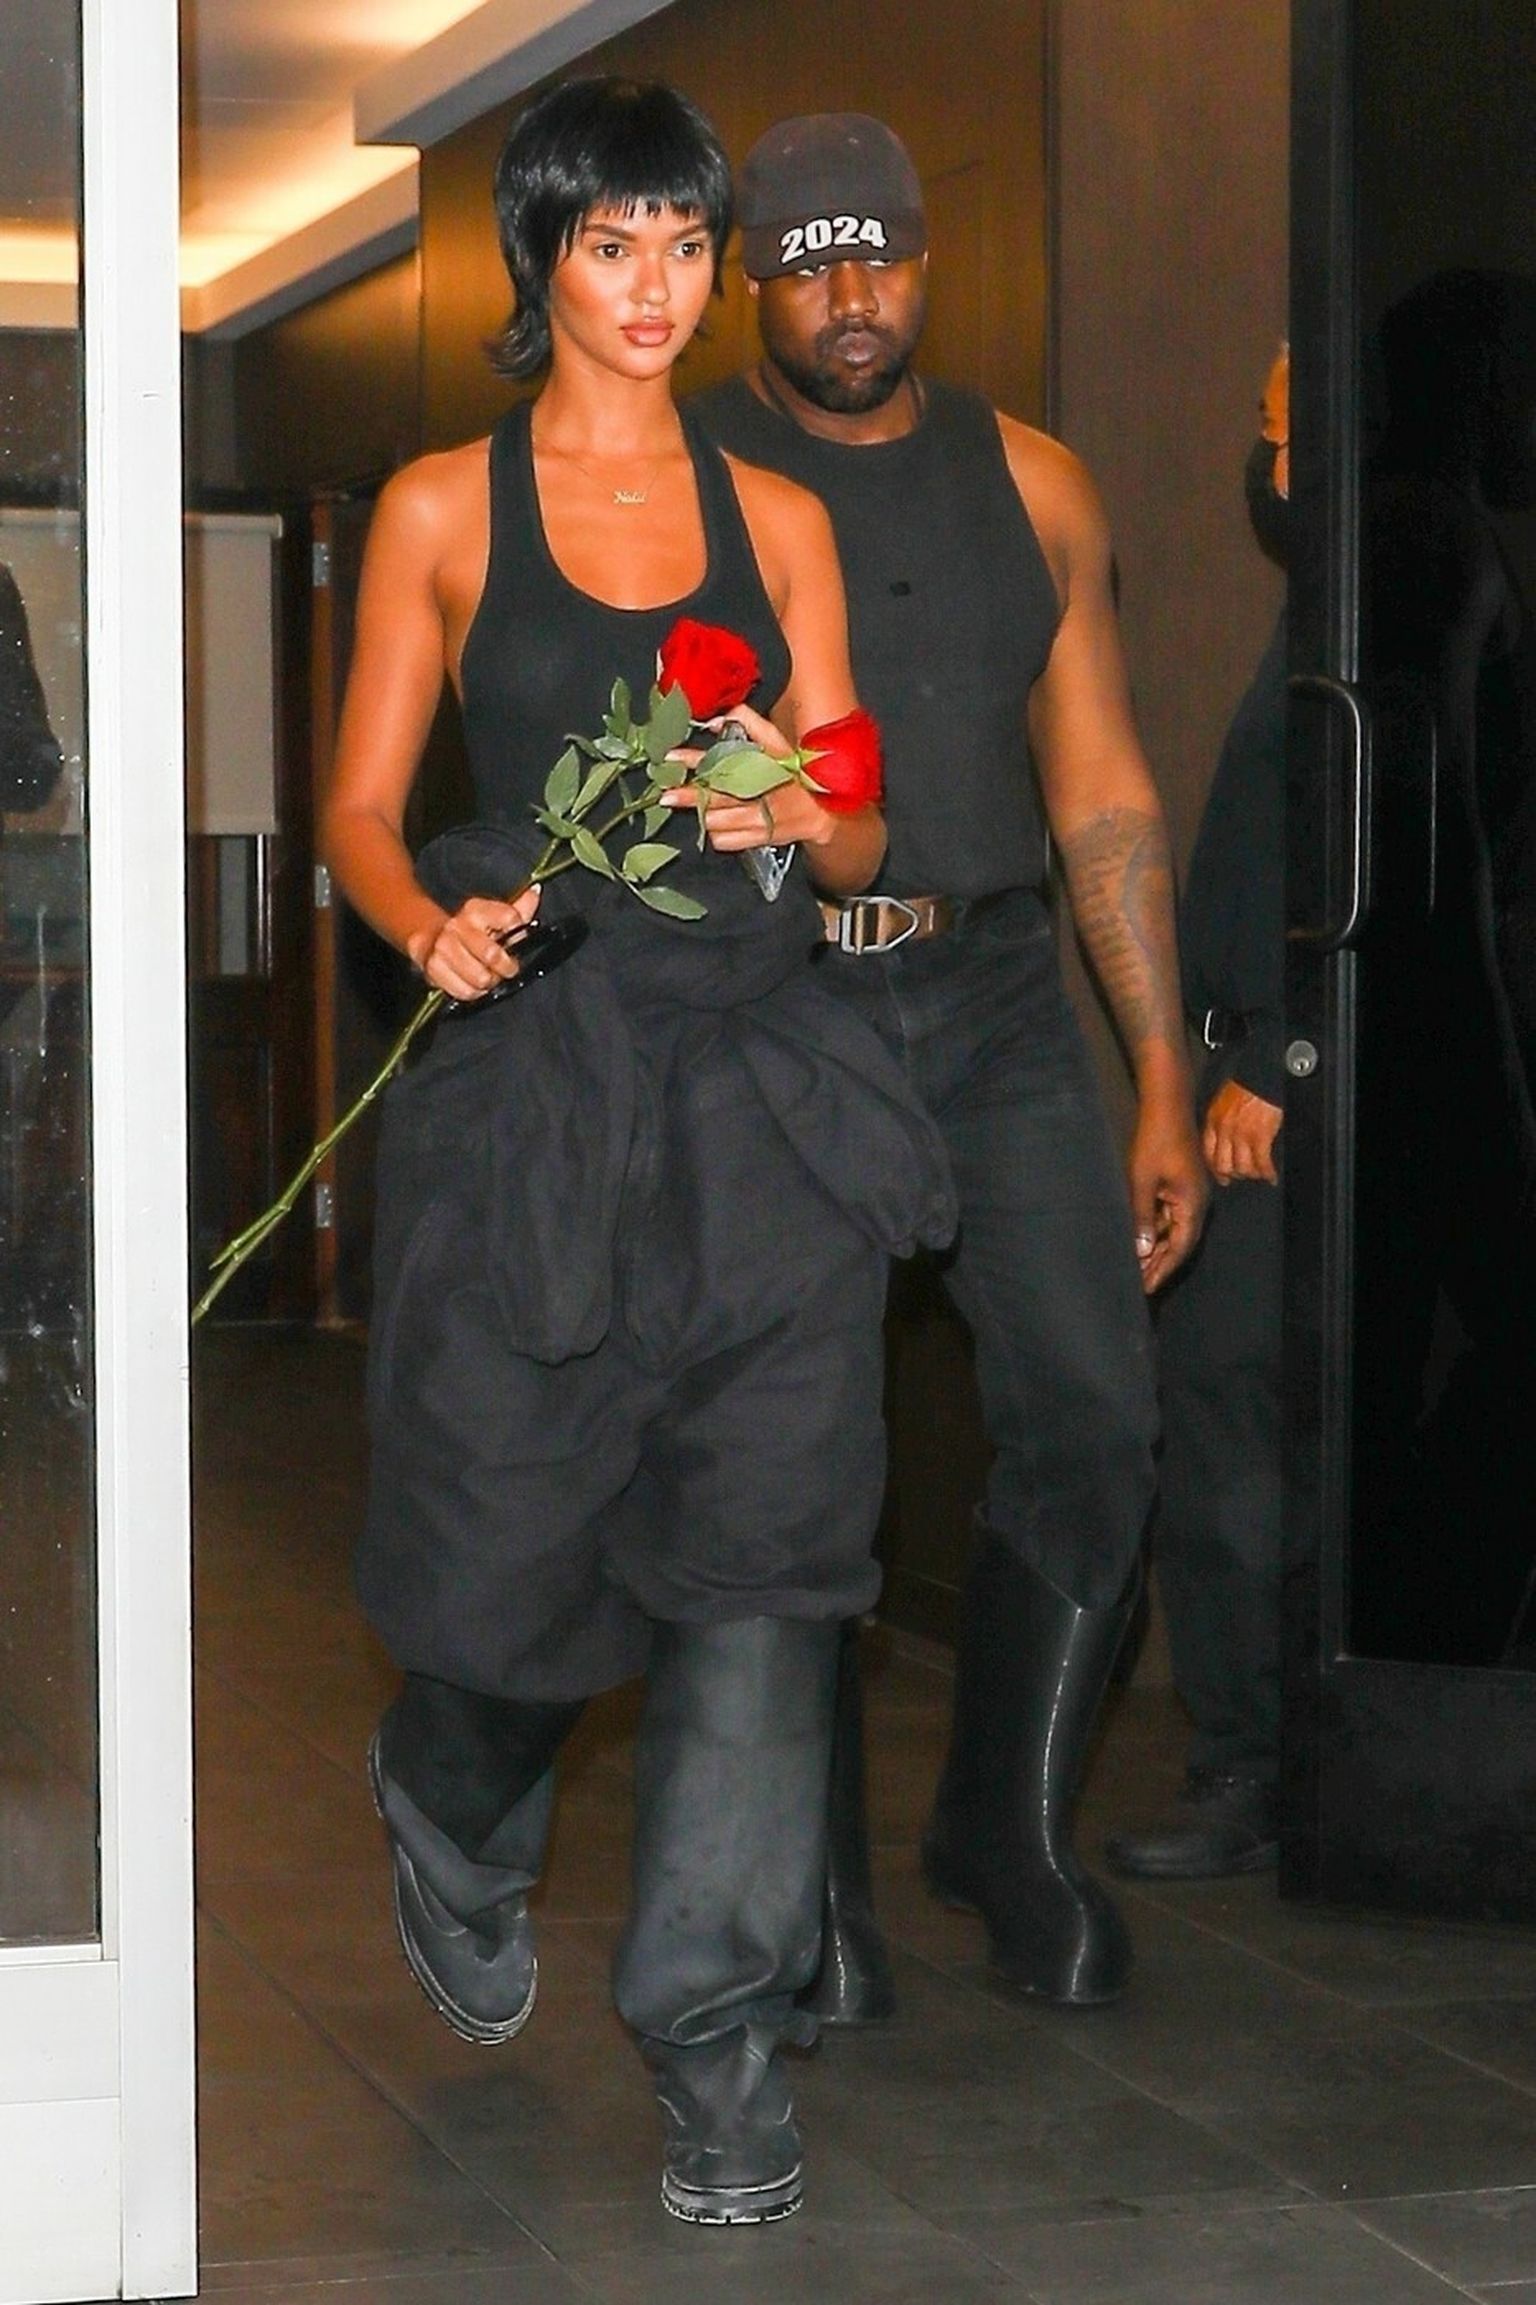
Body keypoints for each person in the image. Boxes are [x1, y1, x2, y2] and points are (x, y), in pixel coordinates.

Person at [321, 77, 953, 2228]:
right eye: (617, 246)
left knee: (772, 1573)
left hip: (766, 1094)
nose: (660, 286)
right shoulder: (440, 508)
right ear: (547, 261)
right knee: (509, 1567)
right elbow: (360, 809)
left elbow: (856, 819)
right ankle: (452, 1795)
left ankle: (721, 2046)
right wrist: (422, 924)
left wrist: (797, 800)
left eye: (690, 245)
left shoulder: (780, 520)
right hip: (542, 1088)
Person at [696, 114, 1207, 2016]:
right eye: (811, 262)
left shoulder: (1038, 484)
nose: (853, 297)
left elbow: (1102, 788)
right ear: (754, 280)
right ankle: (812, 1893)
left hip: (992, 997)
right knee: (803, 1461)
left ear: (926, 261)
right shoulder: (686, 478)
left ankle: (1005, 1829)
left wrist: (1162, 1073)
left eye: (884, 257)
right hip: (783, 1004)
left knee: (1095, 1411)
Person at [1105, 350, 1289, 1880]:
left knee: (1233, 1426)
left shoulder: (1405, 614)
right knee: (1224, 1424)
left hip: (1280, 1101)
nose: (1264, 460)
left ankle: (1258, 1771)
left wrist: (1288, 1057)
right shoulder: (1326, 614)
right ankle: (1263, 1761)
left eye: (1281, 429)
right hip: (1243, 1080)